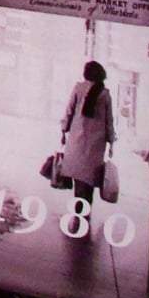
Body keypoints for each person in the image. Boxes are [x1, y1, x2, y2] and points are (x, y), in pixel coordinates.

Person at [55, 59, 115, 205]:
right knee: (89, 179)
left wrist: (64, 131)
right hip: (96, 145)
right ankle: (85, 209)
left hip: (77, 140)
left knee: (79, 178)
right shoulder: (105, 94)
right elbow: (109, 121)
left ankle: (79, 209)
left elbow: (69, 112)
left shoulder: (78, 88)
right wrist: (111, 142)